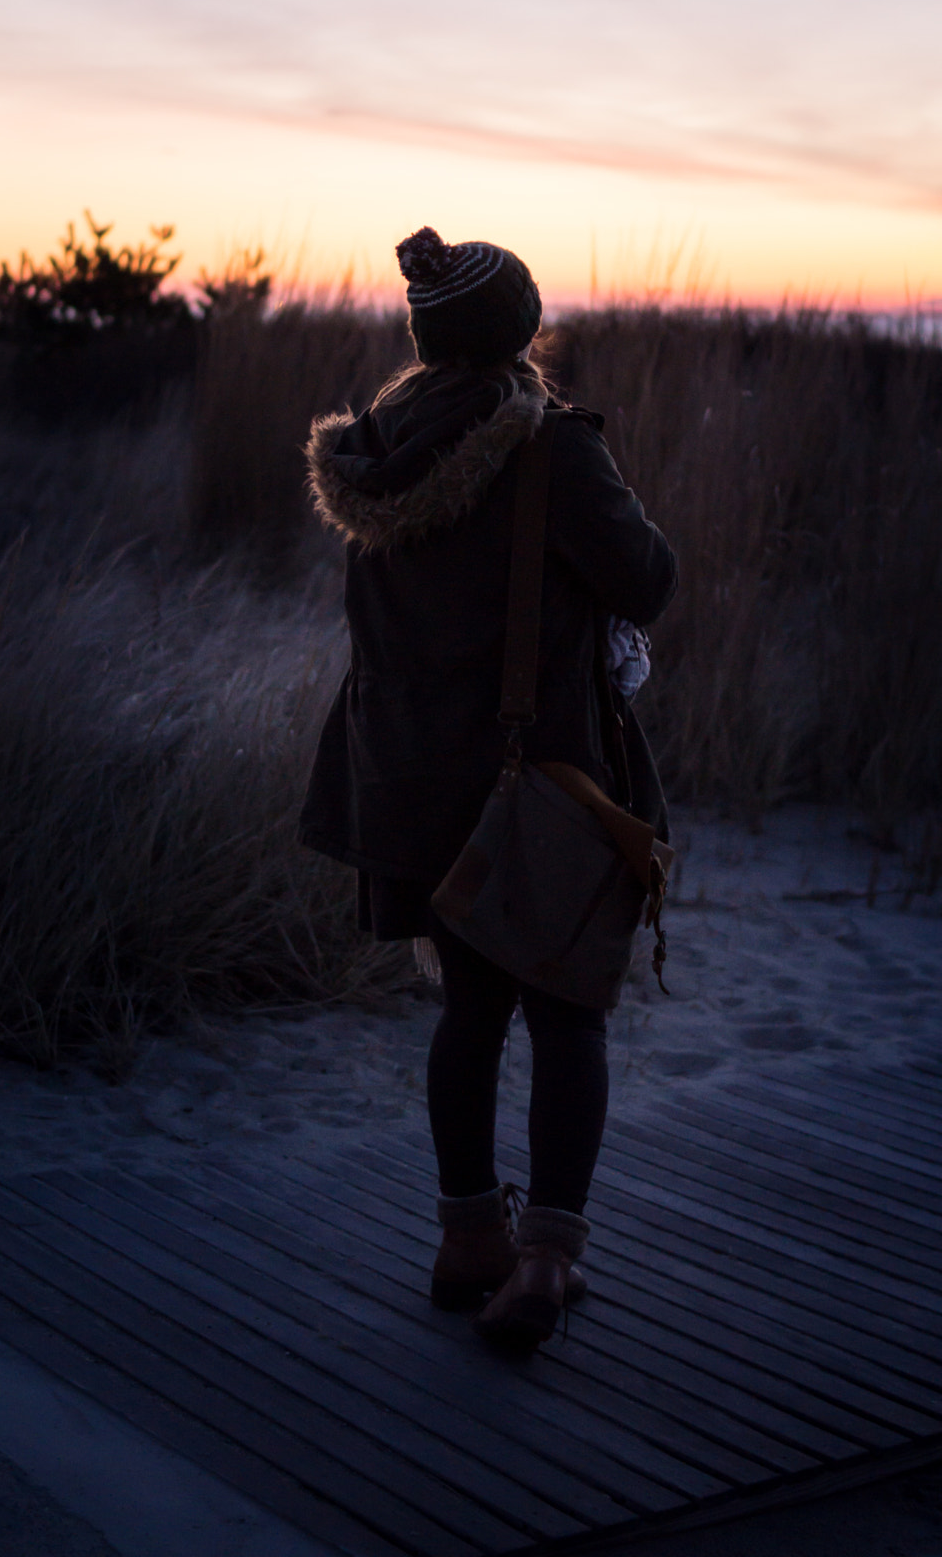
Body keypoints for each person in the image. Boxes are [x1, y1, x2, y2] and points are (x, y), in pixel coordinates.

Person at [300, 226, 677, 1349]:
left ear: (427, 335)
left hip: (404, 776)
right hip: (536, 781)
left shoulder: (371, 445)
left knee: (469, 1011)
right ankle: (548, 1259)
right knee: (570, 1014)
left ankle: (469, 1236)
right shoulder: (548, 446)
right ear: (520, 327)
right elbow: (647, 580)